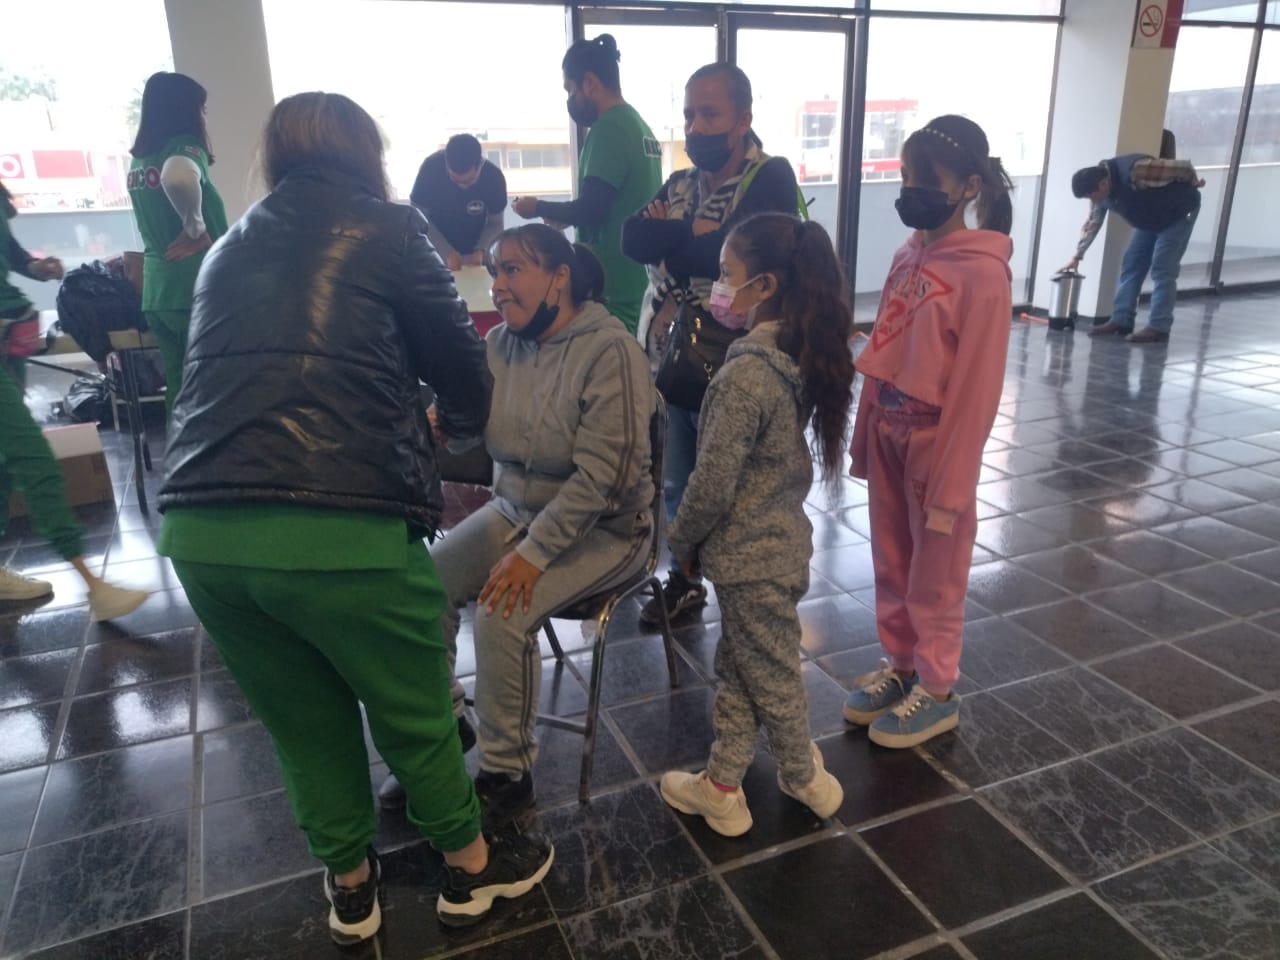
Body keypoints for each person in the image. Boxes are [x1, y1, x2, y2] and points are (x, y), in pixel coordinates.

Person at [156, 92, 552, 943]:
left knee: (303, 723)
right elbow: (467, 375)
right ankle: (471, 869)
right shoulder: (391, 229)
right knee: (414, 709)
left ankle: (350, 886)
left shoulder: (227, 246)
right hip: (339, 527)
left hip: (201, 535)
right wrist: (445, 423)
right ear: (364, 154)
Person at [381, 223, 655, 823]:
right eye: (495, 271)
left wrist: (533, 555)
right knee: (417, 588)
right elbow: (475, 430)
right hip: (514, 510)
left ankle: (507, 775)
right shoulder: (500, 343)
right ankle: (448, 724)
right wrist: (444, 423)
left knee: (501, 613)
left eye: (513, 270)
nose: (498, 286)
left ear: (560, 278)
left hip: (607, 528)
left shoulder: (610, 352)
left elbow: (604, 479)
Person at [658, 212, 852, 836]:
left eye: (726, 274)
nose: (719, 288)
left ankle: (802, 775)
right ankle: (721, 786)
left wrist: (681, 540)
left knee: (769, 671)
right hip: (779, 546)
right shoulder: (793, 357)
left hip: (748, 559)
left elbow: (711, 482)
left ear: (765, 285)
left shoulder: (744, 375)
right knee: (742, 666)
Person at [843, 115, 1013, 749]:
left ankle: (938, 689)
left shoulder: (983, 274)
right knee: (891, 557)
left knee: (935, 573)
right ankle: (903, 665)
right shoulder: (906, 254)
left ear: (968, 187)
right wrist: (865, 432)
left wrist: (953, 483)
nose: (911, 191)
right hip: (888, 431)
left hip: (936, 445)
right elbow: (885, 347)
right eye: (905, 178)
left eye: (926, 181)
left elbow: (977, 387)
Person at [621, 62, 800, 629]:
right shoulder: (681, 183)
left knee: (734, 483)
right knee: (677, 476)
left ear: (743, 120)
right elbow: (631, 238)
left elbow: (736, 253)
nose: (696, 127)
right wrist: (694, 237)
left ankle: (747, 589)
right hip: (675, 358)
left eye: (710, 114)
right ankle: (686, 579)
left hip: (736, 362)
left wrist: (677, 239)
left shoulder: (770, 177)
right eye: (689, 115)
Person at [0, 182, 150, 621]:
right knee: (33, 458)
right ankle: (94, 586)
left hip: (11, 341)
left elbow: (11, 255)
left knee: (5, 462)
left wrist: (38, 267)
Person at [512, 34, 661, 337]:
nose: (570, 99)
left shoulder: (609, 128)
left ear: (590, 83)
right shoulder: (638, 125)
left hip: (612, 283)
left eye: (570, 89)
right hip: (636, 277)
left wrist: (536, 207)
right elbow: (613, 202)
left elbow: (591, 210)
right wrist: (562, 216)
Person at [127, 71, 228, 413]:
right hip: (194, 289)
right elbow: (179, 177)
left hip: (158, 293)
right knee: (213, 388)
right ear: (186, 110)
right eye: (202, 109)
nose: (204, 117)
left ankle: (179, 448)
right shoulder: (184, 147)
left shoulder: (140, 161)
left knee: (180, 388)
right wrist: (196, 228)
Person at [1062, 152, 1203, 344]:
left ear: (1103, 184)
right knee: (1132, 264)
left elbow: (1183, 167)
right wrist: (1077, 256)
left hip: (1178, 214)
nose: (1094, 202)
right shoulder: (1098, 193)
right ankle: (1121, 320)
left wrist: (1194, 182)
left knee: (1162, 268)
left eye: (1092, 197)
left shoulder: (1139, 170)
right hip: (1149, 219)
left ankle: (1159, 327)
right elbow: (1094, 222)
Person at [410, 133, 507, 271]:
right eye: (454, 180)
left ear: (480, 164)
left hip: (475, 250)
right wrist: (446, 252)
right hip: (435, 249)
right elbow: (418, 219)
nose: (462, 186)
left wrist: (482, 250)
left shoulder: (494, 178)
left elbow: (495, 224)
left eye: (469, 181)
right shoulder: (430, 169)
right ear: (446, 164)